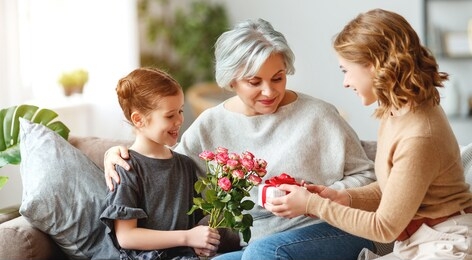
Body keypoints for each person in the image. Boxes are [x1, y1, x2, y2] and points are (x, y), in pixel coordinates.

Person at [104, 19, 377, 259]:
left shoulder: (319, 115)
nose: (269, 91)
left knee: (263, 253)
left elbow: (367, 176)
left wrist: (320, 199)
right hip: (257, 247)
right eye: (254, 82)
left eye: (278, 78)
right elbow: (167, 163)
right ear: (231, 80)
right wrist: (115, 154)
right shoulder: (210, 126)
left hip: (331, 230)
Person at [265, 9, 472, 260]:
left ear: (373, 66)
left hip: (445, 243)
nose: (345, 82)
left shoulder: (419, 134)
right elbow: (392, 189)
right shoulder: (395, 110)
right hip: (419, 242)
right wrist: (342, 196)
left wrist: (314, 205)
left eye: (345, 70)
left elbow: (384, 228)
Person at [99, 67, 220, 260]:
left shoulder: (185, 165)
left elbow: (189, 225)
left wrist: (199, 242)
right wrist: (187, 238)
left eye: (180, 111)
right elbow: (127, 237)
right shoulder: (126, 167)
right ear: (138, 119)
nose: (180, 120)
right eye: (170, 115)